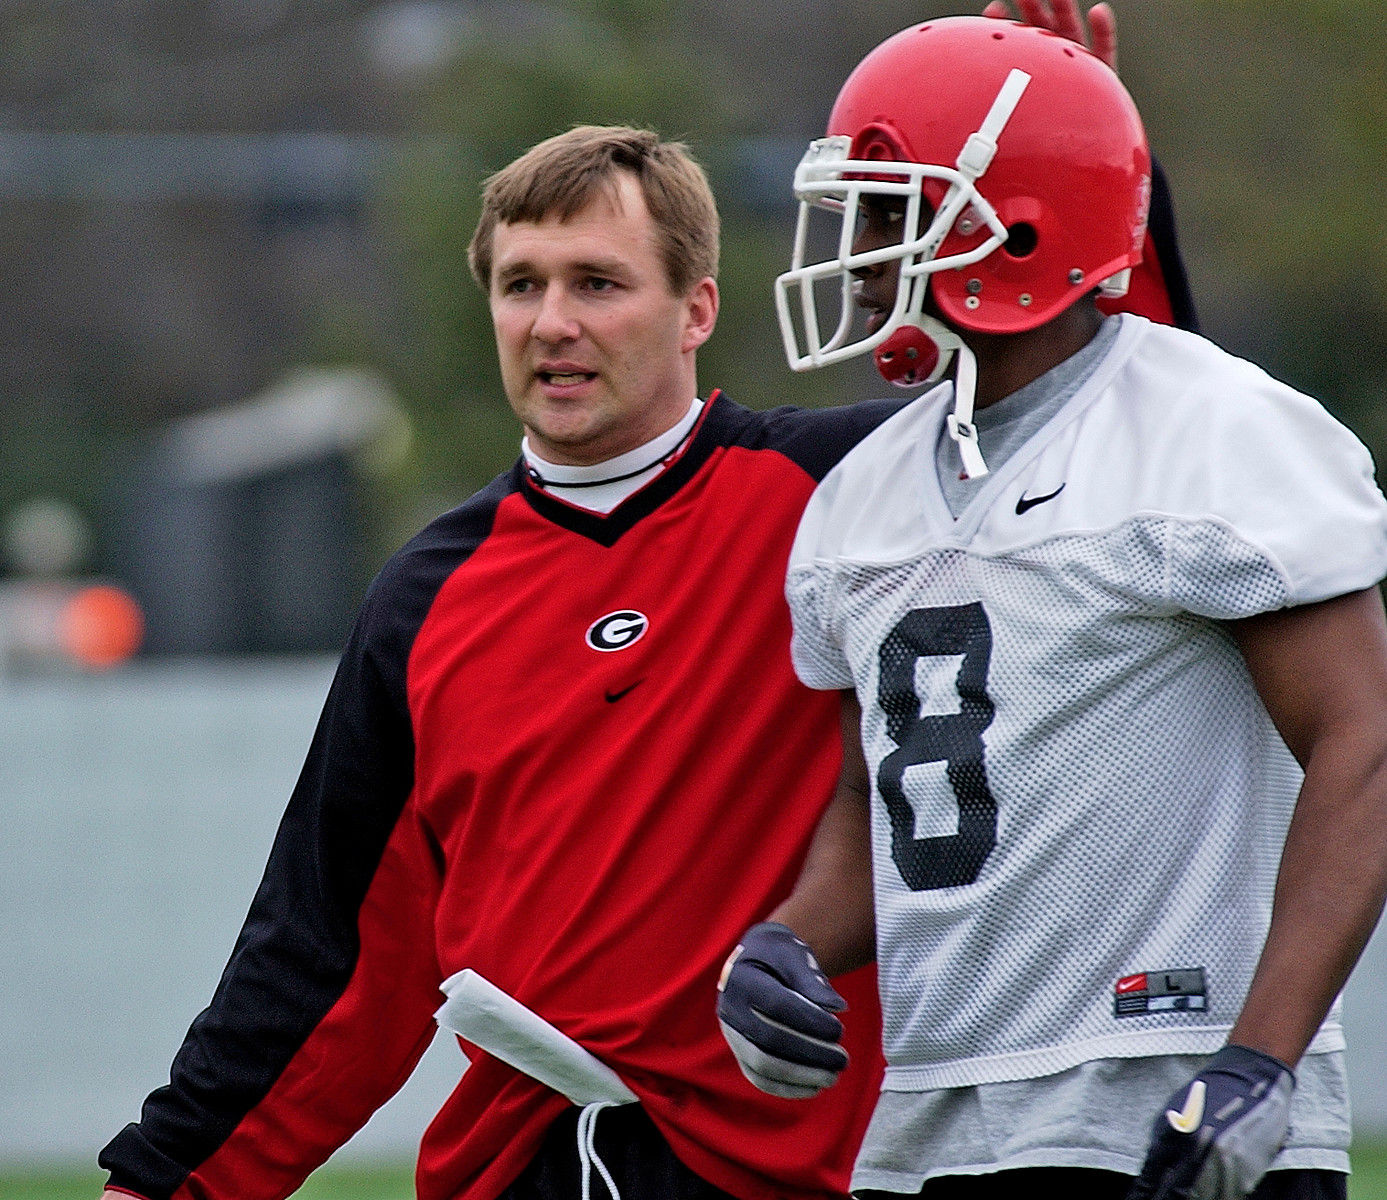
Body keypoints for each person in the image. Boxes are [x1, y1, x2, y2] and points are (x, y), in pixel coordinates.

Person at [97, 10, 1193, 1200]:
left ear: (697, 310)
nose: (552, 321)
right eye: (521, 284)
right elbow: (323, 962)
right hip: (520, 1168)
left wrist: (1079, 175)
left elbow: (1114, 436)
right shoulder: (425, 596)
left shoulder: (849, 495)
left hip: (811, 1166)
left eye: (598, 283)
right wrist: (163, 1181)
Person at [716, 14, 1387, 1200]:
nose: (859, 249)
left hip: (1164, 1092)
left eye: (889, 209)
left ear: (1014, 220)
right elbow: (891, 812)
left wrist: (1260, 1059)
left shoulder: (1213, 427)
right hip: (935, 1106)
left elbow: (1365, 747)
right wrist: (784, 945)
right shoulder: (860, 494)